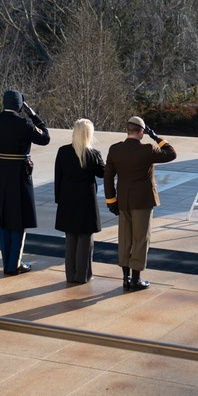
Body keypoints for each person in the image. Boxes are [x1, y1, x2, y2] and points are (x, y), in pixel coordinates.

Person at [104, 115, 176, 291]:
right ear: (141, 132)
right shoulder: (148, 149)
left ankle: (125, 278)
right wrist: (156, 137)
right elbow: (171, 153)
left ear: (128, 130)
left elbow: (108, 177)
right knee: (140, 239)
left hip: (123, 200)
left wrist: (111, 200)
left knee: (125, 239)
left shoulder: (115, 149)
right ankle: (135, 279)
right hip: (142, 201)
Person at [0, 90, 50, 276]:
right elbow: (45, 137)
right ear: (20, 105)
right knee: (19, 220)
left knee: (4, 220)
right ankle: (14, 265)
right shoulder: (24, 123)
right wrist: (33, 114)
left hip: (2, 171)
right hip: (20, 174)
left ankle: (7, 262)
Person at [53, 119, 106, 284]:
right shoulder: (93, 154)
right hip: (86, 201)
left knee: (70, 239)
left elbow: (58, 178)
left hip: (67, 199)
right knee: (85, 239)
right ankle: (82, 275)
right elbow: (103, 173)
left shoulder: (63, 152)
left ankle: (71, 275)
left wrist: (59, 200)